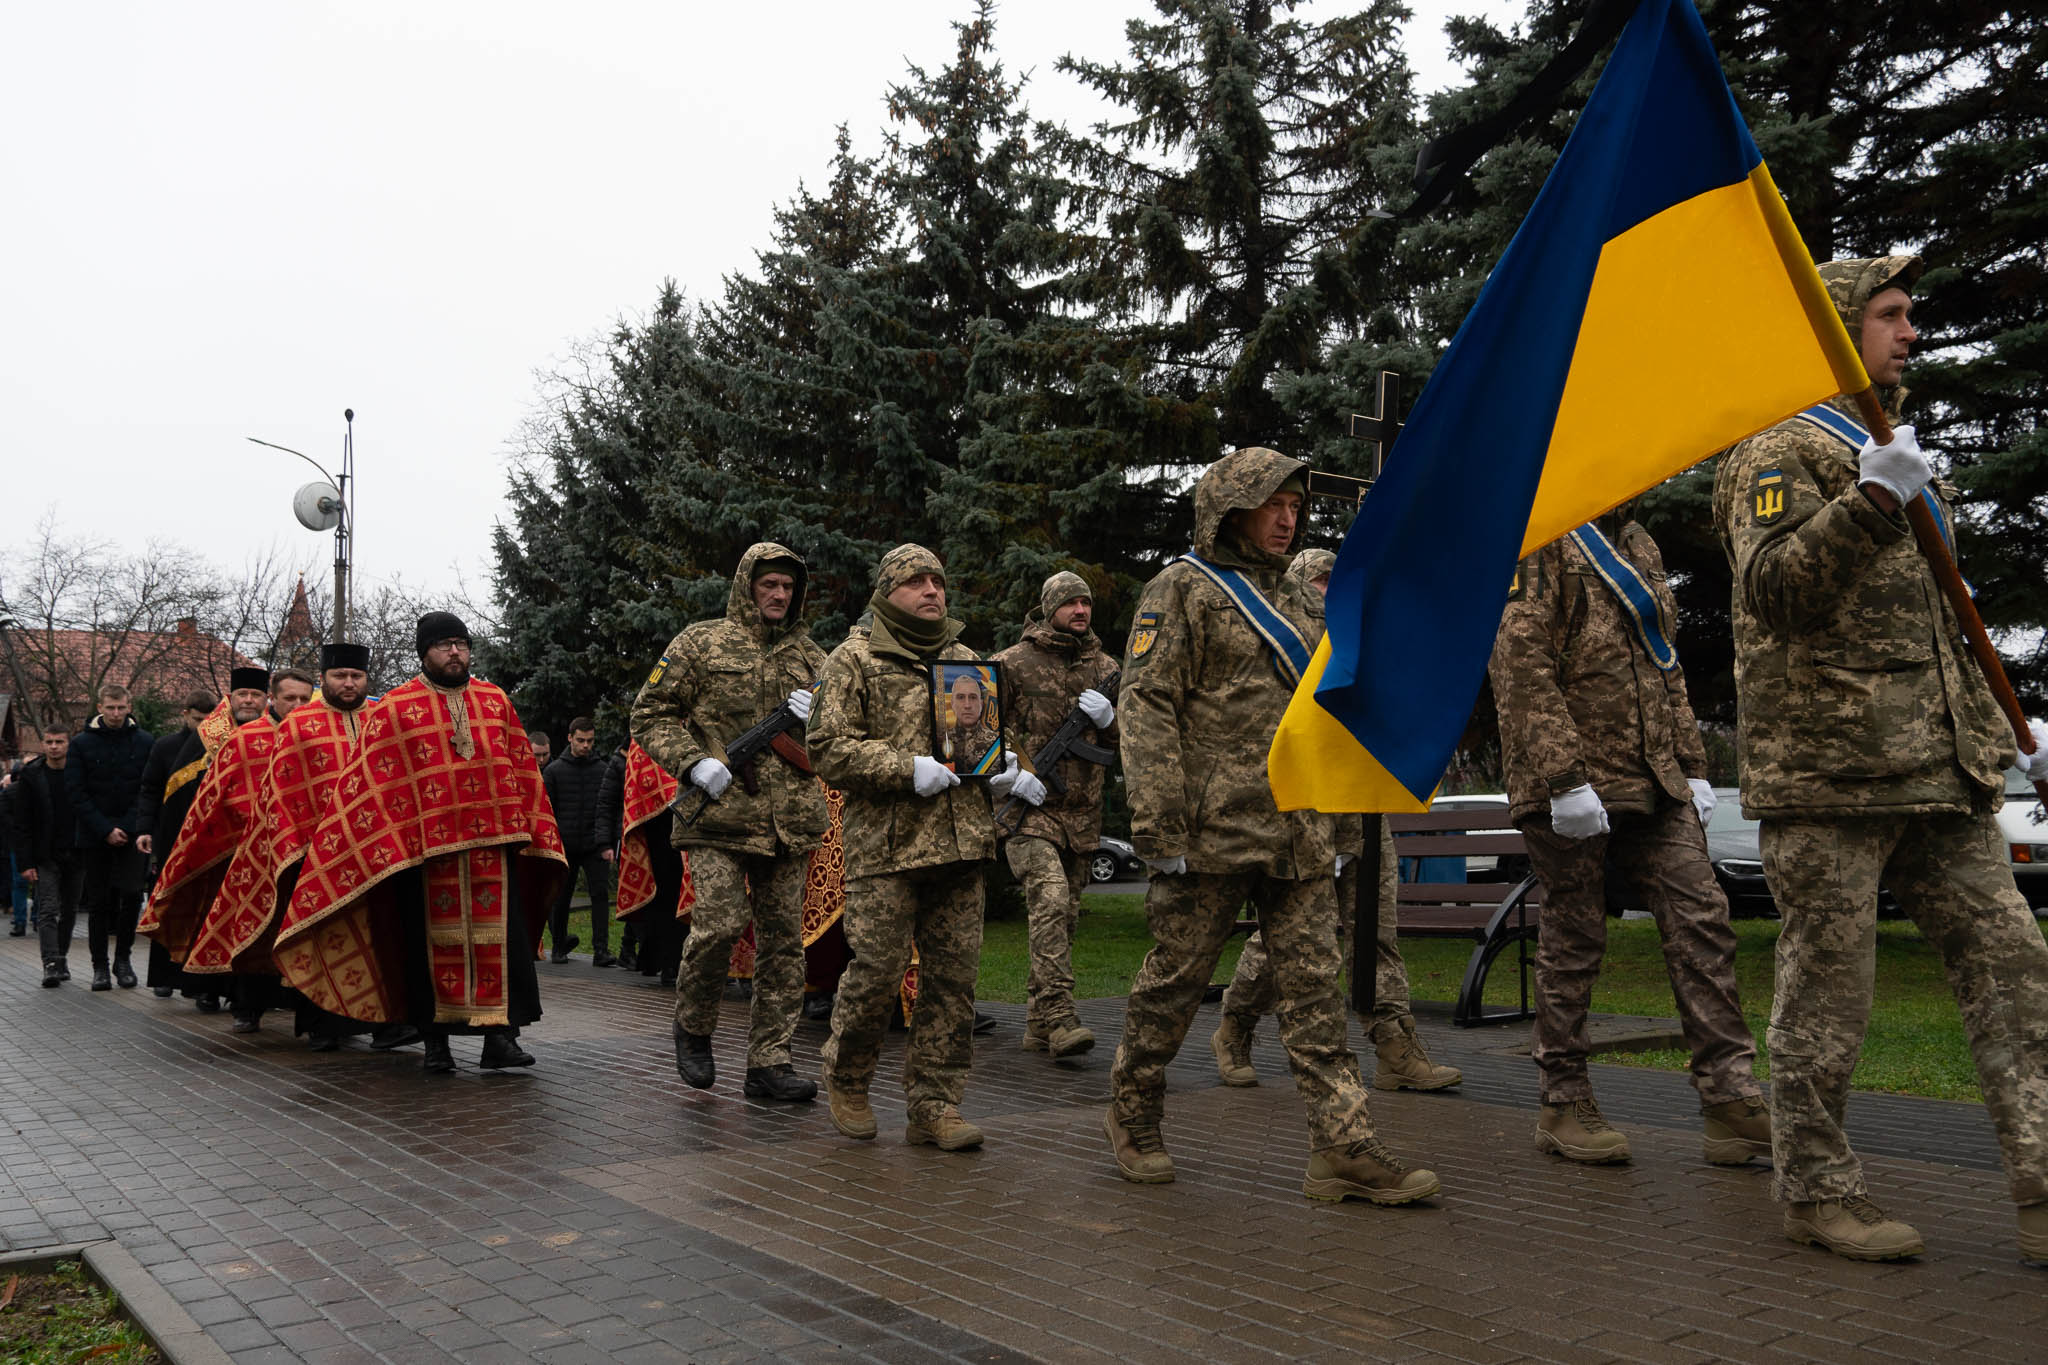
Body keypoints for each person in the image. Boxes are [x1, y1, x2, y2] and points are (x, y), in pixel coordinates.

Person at [1714, 254, 2048, 1264]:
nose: (1910, 333)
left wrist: (2003, 736)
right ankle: (1815, 1190)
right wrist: (1864, 501)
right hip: (1830, 778)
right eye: (1890, 315)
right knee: (1829, 992)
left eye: (1908, 317)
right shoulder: (1777, 448)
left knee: (2014, 971)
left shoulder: (1889, 448)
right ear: (1832, 330)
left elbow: (1939, 622)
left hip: (1938, 770)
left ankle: (2040, 1188)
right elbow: (1771, 589)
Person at [1104, 448, 1439, 1205]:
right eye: (1272, 504)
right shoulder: (1181, 590)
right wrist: (1159, 828)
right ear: (1230, 508)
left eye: (1295, 504)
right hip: (1211, 835)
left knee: (1318, 993)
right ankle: (1133, 1109)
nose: (1288, 518)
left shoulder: (1298, 599)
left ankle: (1344, 1144)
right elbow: (1148, 705)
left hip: (1299, 834)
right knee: (1174, 985)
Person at [1490, 509, 1766, 1167]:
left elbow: (1664, 662)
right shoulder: (1540, 534)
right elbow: (1518, 662)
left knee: (1703, 916)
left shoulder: (1639, 541)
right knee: (1576, 934)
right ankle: (1562, 1098)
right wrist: (1562, 777)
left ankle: (1729, 1097)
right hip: (1573, 784)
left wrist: (1694, 766)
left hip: (1655, 776)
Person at [1215, 549, 1462, 1094]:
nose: (1330, 593)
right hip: (1310, 809)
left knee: (1377, 932)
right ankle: (1235, 1025)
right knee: (1290, 936)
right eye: (1320, 583)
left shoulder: (1365, 645)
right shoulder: (1289, 651)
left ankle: (1395, 1045)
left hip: (1364, 807)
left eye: (1335, 582)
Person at [275, 613, 566, 1073]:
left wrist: (530, 827)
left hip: (492, 847)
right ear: (424, 651)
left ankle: (499, 1040)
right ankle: (436, 1045)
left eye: (462, 643)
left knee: (501, 946)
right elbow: (370, 782)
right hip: (424, 855)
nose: (455, 652)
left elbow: (521, 770)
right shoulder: (395, 706)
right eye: (445, 644)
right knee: (424, 952)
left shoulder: (495, 701)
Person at [811, 544, 999, 1149]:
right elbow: (828, 748)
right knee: (877, 973)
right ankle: (848, 1075)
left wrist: (1002, 759)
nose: (931, 591)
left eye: (937, 581)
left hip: (961, 843)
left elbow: (985, 736)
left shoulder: (968, 659)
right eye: (915, 582)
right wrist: (904, 767)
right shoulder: (854, 660)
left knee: (952, 983)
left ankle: (935, 1105)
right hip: (887, 850)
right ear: (887, 592)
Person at [633, 543, 830, 1102]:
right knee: (719, 924)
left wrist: (818, 717)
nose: (779, 595)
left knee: (784, 945)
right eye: (769, 584)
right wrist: (694, 762)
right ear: (747, 585)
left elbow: (840, 733)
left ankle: (770, 1060)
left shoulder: (814, 658)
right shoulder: (700, 642)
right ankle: (694, 1026)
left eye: (788, 588)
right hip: (717, 814)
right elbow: (649, 712)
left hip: (789, 821)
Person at [183, 648, 416, 1050]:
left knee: (381, 942)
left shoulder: (382, 721)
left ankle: (387, 1025)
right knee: (322, 940)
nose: (348, 683)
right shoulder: (300, 725)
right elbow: (279, 794)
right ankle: (323, 1026)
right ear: (325, 678)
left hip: (374, 854)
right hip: (315, 856)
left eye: (356, 676)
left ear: (366, 680)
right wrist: (289, 845)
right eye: (340, 675)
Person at [989, 570, 1118, 1060]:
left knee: (1064, 919)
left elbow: (1131, 743)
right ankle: (1062, 1017)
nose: (1080, 611)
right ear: (1049, 609)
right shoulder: (1011, 663)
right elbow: (979, 728)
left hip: (1082, 817)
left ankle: (1037, 1022)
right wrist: (1006, 770)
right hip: (1027, 809)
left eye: (1086, 602)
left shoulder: (1106, 668)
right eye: (1070, 603)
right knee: (1050, 899)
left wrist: (1110, 721)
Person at [141, 669, 315, 1031]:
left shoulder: (318, 734)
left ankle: (303, 1009)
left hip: (301, 854)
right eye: (289, 699)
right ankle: (247, 1007)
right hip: (245, 854)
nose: (297, 706)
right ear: (274, 698)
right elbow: (213, 798)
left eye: (304, 699)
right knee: (249, 929)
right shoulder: (245, 739)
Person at [65, 684, 156, 991]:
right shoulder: (81, 744)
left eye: (121, 708)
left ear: (129, 706)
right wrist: (104, 829)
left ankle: (123, 960)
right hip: (94, 835)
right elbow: (75, 792)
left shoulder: (145, 742)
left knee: (131, 896)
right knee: (100, 902)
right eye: (110, 708)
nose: (116, 714)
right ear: (100, 706)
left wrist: (129, 827)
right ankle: (100, 966)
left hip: (133, 834)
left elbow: (148, 788)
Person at [136, 690, 222, 1001]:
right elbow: (149, 789)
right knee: (167, 903)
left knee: (205, 907)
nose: (202, 726)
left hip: (210, 837)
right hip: (171, 834)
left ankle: (203, 982)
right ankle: (164, 976)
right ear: (185, 714)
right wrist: (145, 828)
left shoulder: (224, 742)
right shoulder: (165, 747)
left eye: (208, 719)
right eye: (197, 719)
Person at [12, 730, 84, 987]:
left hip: (75, 851)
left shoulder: (79, 771)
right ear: (43, 744)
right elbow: (22, 822)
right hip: (46, 854)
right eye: (49, 742)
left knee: (69, 909)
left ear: (68, 743)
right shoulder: (32, 775)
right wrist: (25, 862)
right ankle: (50, 963)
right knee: (48, 909)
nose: (54, 747)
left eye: (59, 742)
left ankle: (61, 956)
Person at [542, 716, 614, 965]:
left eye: (590, 741)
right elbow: (547, 811)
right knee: (561, 896)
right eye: (581, 740)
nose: (586, 745)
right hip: (566, 844)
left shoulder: (602, 770)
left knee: (600, 895)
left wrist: (606, 843)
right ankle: (559, 946)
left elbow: (608, 808)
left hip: (595, 844)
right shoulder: (554, 771)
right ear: (570, 738)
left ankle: (601, 950)